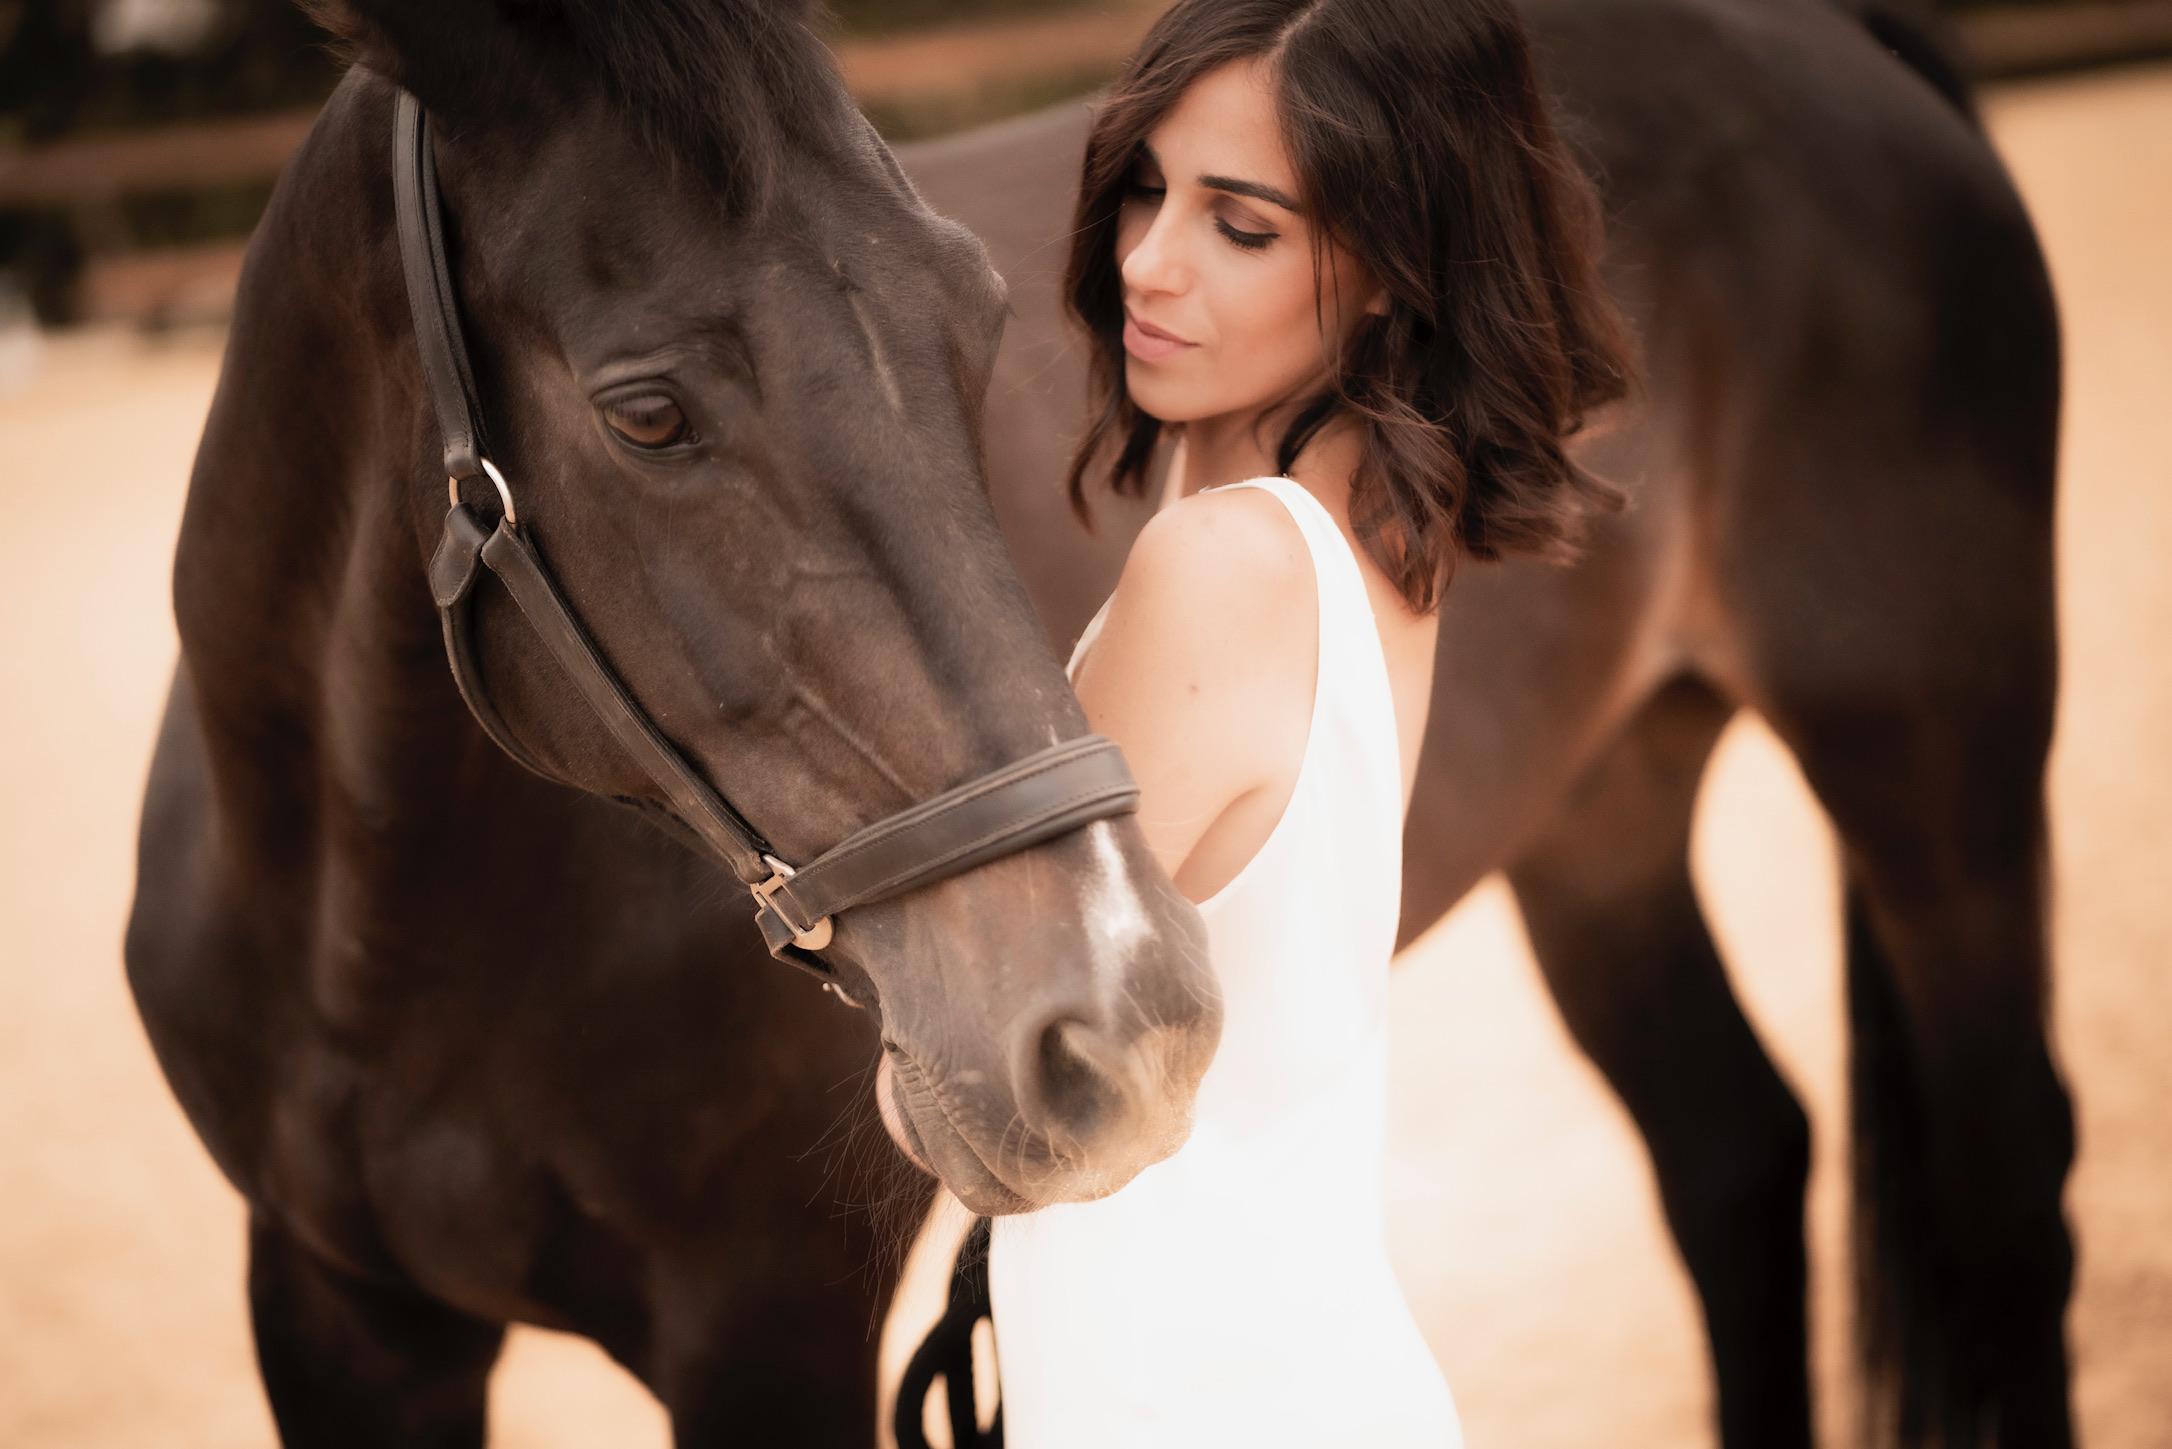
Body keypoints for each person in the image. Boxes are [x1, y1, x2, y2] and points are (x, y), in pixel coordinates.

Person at [984, 0, 1633, 1443]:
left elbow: (989, 1088)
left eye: (1244, 226)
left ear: (1395, 265)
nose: (1149, 260)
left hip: (1183, 1396)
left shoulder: (1220, 570)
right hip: (1289, 1364)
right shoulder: (1360, 533)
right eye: (1146, 185)